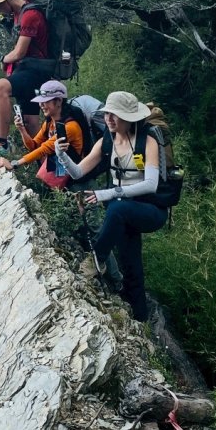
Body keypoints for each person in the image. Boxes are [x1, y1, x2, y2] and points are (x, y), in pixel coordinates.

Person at [56, 91, 168, 321]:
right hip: (123, 213)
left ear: (129, 117)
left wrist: (106, 194)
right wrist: (61, 155)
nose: (109, 119)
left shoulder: (147, 142)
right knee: (131, 266)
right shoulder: (106, 141)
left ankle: (96, 259)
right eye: (107, 114)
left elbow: (151, 184)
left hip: (151, 210)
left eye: (115, 115)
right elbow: (78, 172)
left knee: (116, 207)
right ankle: (141, 318)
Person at [0, 0, 51, 149]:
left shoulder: (30, 15)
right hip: (29, 70)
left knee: (1, 87)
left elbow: (19, 52)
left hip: (35, 71)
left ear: (5, 1)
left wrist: (3, 59)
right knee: (30, 122)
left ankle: (1, 142)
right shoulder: (19, 13)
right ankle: (44, 160)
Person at [0, 80, 86, 189]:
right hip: (62, 174)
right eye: (40, 101)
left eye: (45, 101)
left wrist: (14, 164)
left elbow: (44, 149)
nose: (41, 105)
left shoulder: (70, 127)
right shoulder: (49, 123)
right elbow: (33, 146)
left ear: (59, 101)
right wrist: (22, 129)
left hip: (76, 180)